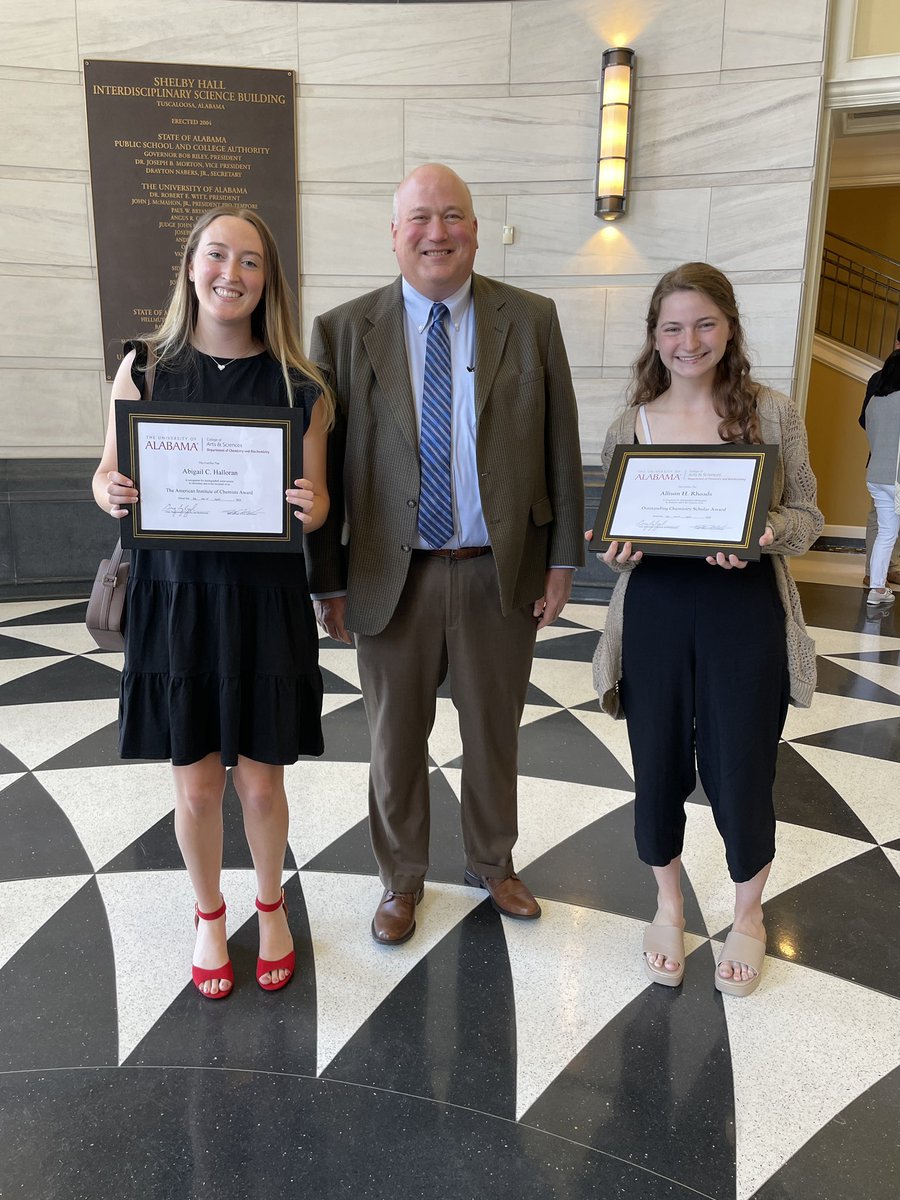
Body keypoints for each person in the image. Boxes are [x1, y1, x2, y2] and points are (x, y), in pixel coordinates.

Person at [305, 163, 584, 945]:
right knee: (395, 740)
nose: (438, 232)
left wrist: (562, 559)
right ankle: (400, 881)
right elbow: (322, 465)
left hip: (500, 568)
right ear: (394, 234)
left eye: (453, 216)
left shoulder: (529, 318)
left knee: (495, 729)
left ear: (474, 227)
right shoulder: (341, 329)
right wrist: (324, 580)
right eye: (420, 218)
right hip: (390, 574)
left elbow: (560, 442)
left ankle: (493, 863)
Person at [92, 207, 333, 999]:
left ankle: (270, 906)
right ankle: (206, 912)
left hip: (264, 600)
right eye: (217, 255)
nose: (232, 273)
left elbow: (322, 501)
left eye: (252, 261)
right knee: (195, 785)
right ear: (190, 266)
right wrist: (113, 488)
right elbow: (103, 477)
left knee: (262, 783)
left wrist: (309, 505)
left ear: (269, 281)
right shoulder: (143, 369)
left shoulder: (302, 386)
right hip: (175, 600)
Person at [591, 262, 822, 997]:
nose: (688, 341)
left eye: (704, 324)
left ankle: (748, 917)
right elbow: (613, 535)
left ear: (729, 327)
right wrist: (615, 550)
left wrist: (760, 529)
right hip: (655, 611)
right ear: (654, 337)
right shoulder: (631, 422)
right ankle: (668, 903)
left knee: (742, 768)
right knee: (655, 764)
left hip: (742, 611)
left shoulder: (774, 413)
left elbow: (809, 519)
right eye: (672, 327)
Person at [860, 344, 900, 607]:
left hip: (877, 474)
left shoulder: (875, 400)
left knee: (886, 533)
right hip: (898, 476)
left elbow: (866, 426)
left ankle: (877, 588)